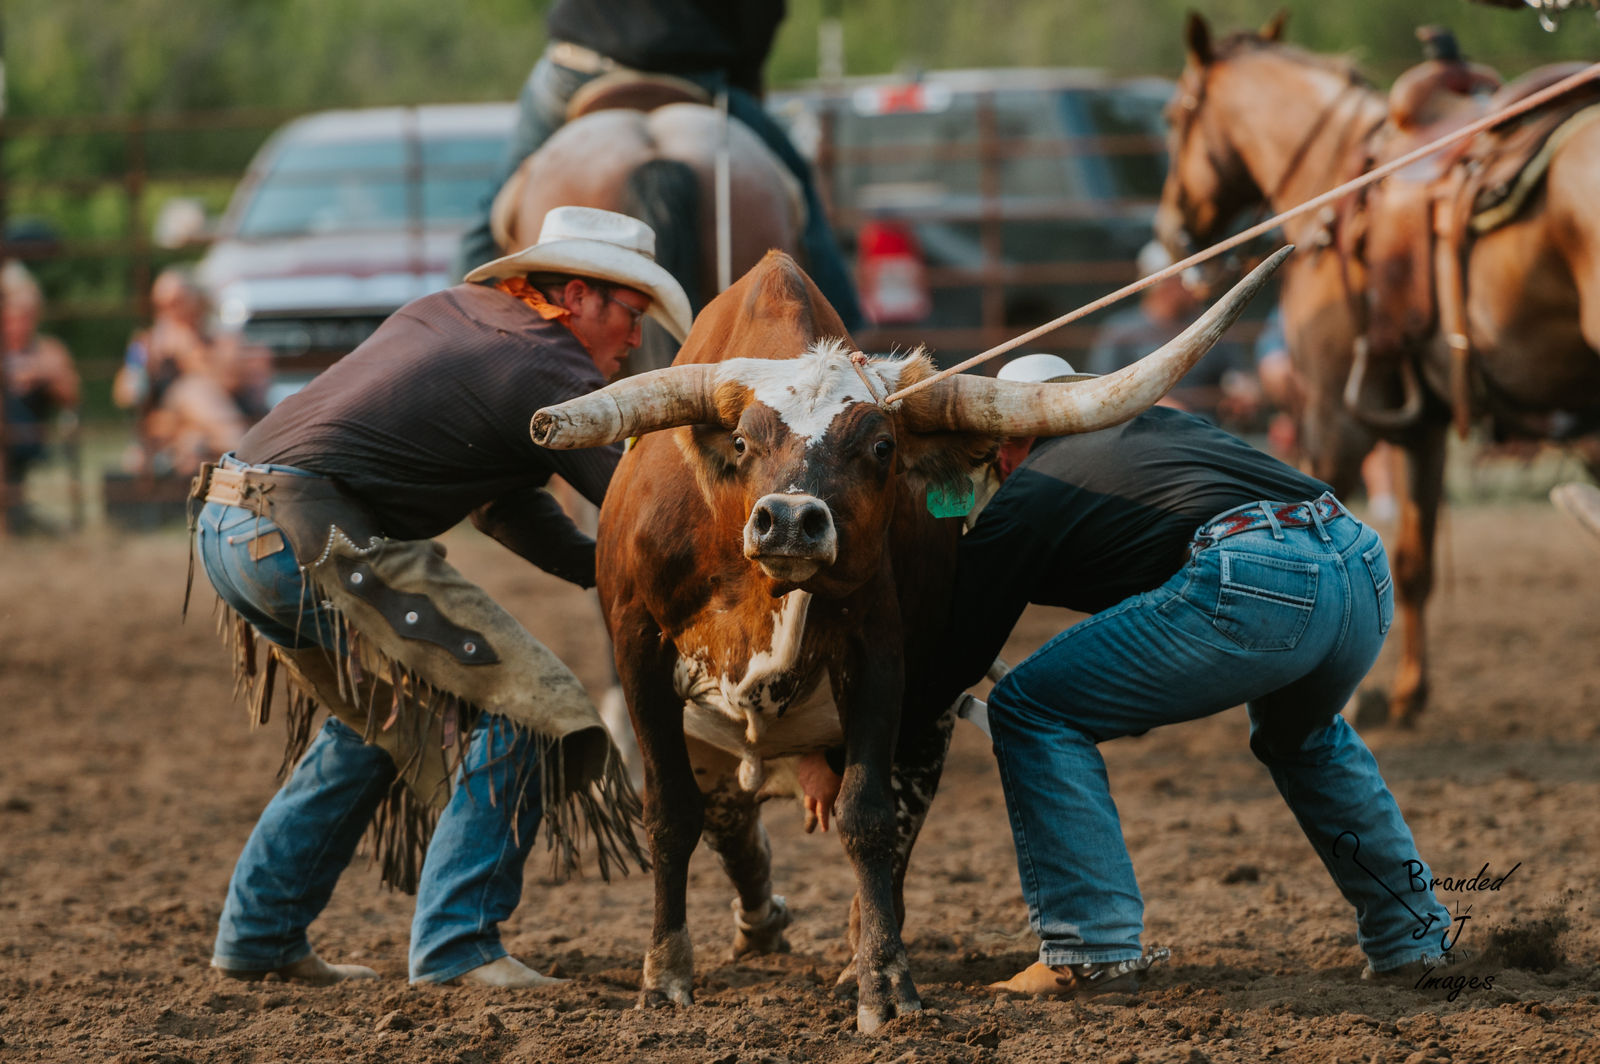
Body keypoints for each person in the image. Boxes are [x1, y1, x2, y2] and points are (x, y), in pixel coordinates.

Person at [801, 352, 1457, 997]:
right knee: (1305, 740)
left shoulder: (1030, 493)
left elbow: (957, 659)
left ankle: (1091, 949)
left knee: (1031, 708)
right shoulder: (1166, 428)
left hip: (1258, 578)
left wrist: (841, 751)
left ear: (1008, 443)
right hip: (1359, 566)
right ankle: (1413, 936)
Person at [190, 207, 689, 988]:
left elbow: (503, 503)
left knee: (373, 729)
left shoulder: (459, 316)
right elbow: (636, 503)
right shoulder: (548, 365)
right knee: (528, 708)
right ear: (579, 296)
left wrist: (601, 567)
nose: (635, 339)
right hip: (310, 536)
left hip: (232, 527)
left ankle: (258, 936)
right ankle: (458, 948)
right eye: (631, 315)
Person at [453, 0, 864, 331]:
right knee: (801, 198)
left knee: (492, 213)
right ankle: (845, 334)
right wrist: (745, 75)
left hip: (577, 68)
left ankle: (459, 332)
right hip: (694, 74)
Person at [1086, 243, 1259, 430]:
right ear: (1163, 283)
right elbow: (1101, 395)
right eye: (1188, 277)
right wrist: (1164, 410)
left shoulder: (1213, 323)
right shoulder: (1119, 332)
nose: (1199, 284)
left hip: (1208, 431)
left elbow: (1239, 377)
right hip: (1143, 433)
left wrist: (1243, 393)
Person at [2, 260, 80, 531]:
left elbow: (72, 395)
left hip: (27, 435)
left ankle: (13, 511)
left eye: (27, 315)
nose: (19, 323)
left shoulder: (48, 350)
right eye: (13, 315)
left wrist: (39, 373)